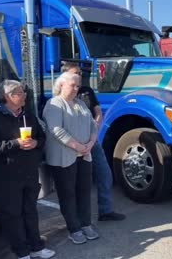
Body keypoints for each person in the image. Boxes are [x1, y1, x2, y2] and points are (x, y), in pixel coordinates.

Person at [0, 80, 55, 259]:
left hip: (28, 172)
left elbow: (42, 137)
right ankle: (21, 252)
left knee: (30, 210)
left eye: (23, 93)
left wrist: (36, 143)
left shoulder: (27, 115)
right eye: (20, 93)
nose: (25, 96)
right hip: (6, 175)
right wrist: (15, 144)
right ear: (8, 97)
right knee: (13, 215)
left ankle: (37, 247)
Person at [62, 62, 126, 222]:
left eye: (80, 74)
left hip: (91, 141)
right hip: (73, 143)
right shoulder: (61, 95)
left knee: (105, 173)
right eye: (75, 73)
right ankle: (76, 219)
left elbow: (97, 111)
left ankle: (106, 211)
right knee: (76, 181)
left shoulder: (87, 91)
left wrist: (95, 127)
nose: (80, 77)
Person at [43, 72, 99, 244]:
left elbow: (93, 125)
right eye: (73, 85)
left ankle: (86, 224)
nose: (77, 88)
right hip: (64, 157)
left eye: (77, 85)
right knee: (67, 194)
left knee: (84, 191)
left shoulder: (81, 103)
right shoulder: (54, 104)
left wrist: (90, 143)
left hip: (84, 155)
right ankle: (74, 229)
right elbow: (56, 130)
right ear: (61, 85)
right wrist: (78, 146)